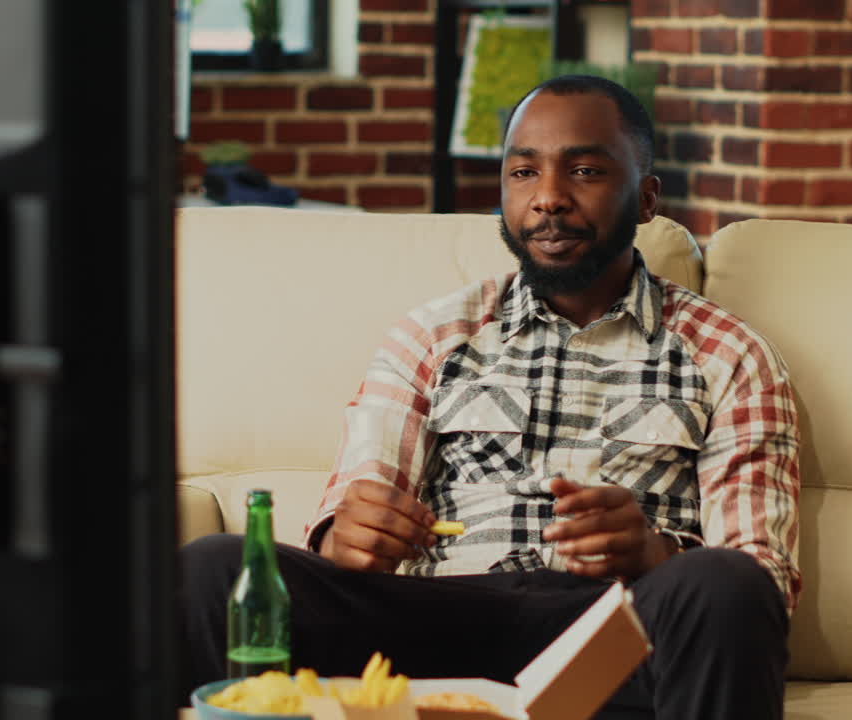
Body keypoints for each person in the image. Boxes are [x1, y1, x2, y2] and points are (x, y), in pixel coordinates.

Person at [180, 75, 801, 720]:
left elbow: (764, 578)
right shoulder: (433, 334)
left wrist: (654, 552)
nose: (549, 199)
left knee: (726, 584)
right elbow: (354, 508)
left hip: (614, 637)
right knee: (212, 572)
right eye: (524, 173)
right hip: (432, 621)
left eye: (584, 171)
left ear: (646, 199)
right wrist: (346, 537)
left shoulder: (728, 355)